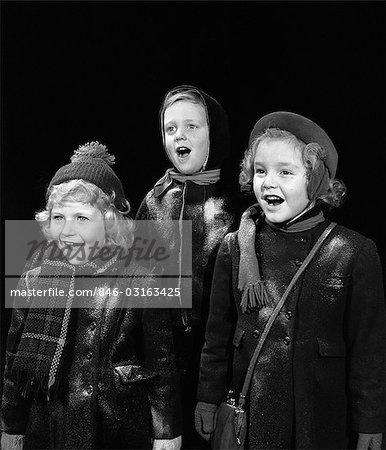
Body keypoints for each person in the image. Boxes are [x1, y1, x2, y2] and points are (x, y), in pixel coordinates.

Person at [195, 112, 386, 449]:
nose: (269, 182)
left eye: (286, 171)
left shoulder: (353, 251)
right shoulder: (235, 247)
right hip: (253, 412)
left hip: (319, 415)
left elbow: (368, 348)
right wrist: (207, 399)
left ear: (314, 181)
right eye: (260, 170)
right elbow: (217, 335)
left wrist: (369, 420)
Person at [1, 142, 182, 449]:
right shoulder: (35, 277)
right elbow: (15, 360)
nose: (68, 231)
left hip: (118, 425)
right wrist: (12, 426)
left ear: (109, 222)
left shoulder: (141, 278)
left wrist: (165, 432)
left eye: (82, 218)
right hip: (51, 422)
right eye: (59, 218)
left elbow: (161, 362)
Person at [135, 85, 237, 448]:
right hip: (164, 355)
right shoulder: (154, 201)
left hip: (220, 356)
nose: (180, 135)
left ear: (216, 132)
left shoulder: (238, 203)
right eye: (171, 128)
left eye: (192, 126)